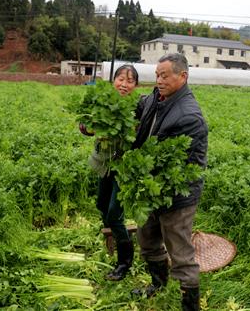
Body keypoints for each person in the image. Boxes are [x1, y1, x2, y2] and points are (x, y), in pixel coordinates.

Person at [131, 53, 208, 311]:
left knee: (181, 253)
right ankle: (158, 284)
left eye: (164, 75)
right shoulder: (157, 96)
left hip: (176, 195)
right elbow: (140, 109)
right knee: (147, 238)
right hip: (152, 188)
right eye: (157, 75)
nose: (159, 80)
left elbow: (178, 168)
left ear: (182, 76)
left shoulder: (189, 116)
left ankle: (190, 306)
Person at [80, 64, 141, 281]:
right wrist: (90, 127)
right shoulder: (102, 101)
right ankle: (113, 238)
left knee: (115, 216)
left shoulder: (139, 107)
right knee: (101, 205)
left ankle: (124, 263)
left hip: (124, 168)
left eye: (130, 80)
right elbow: (84, 125)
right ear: (113, 81)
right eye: (121, 79)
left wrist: (132, 130)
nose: (124, 84)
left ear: (136, 85)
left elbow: (142, 134)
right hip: (104, 163)